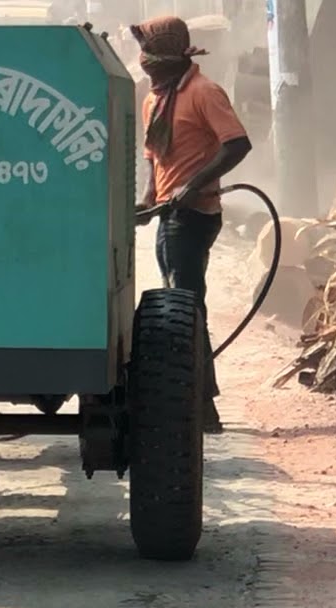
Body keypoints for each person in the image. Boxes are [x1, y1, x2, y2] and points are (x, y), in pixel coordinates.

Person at [131, 15, 252, 435]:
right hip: (168, 212)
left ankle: (203, 406)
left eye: (150, 58)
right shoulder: (154, 99)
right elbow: (154, 155)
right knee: (180, 303)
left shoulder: (204, 93)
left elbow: (237, 144)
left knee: (185, 307)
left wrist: (192, 185)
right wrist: (149, 199)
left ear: (171, 59)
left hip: (195, 214)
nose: (144, 65)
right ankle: (197, 402)